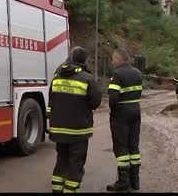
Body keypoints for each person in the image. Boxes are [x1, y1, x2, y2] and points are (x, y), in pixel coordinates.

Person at [48, 46, 102, 193]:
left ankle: (57, 189)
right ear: (84, 61)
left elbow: (51, 101)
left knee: (62, 160)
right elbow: (95, 102)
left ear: (71, 58)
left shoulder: (57, 77)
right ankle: (70, 190)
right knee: (76, 163)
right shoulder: (87, 79)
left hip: (59, 129)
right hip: (78, 130)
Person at [106, 48, 143, 192]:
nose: (112, 61)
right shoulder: (138, 73)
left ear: (119, 59)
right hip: (135, 111)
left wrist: (113, 110)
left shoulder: (117, 74)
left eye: (113, 59)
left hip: (121, 113)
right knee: (133, 146)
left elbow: (113, 98)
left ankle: (123, 182)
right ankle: (135, 181)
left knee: (121, 146)